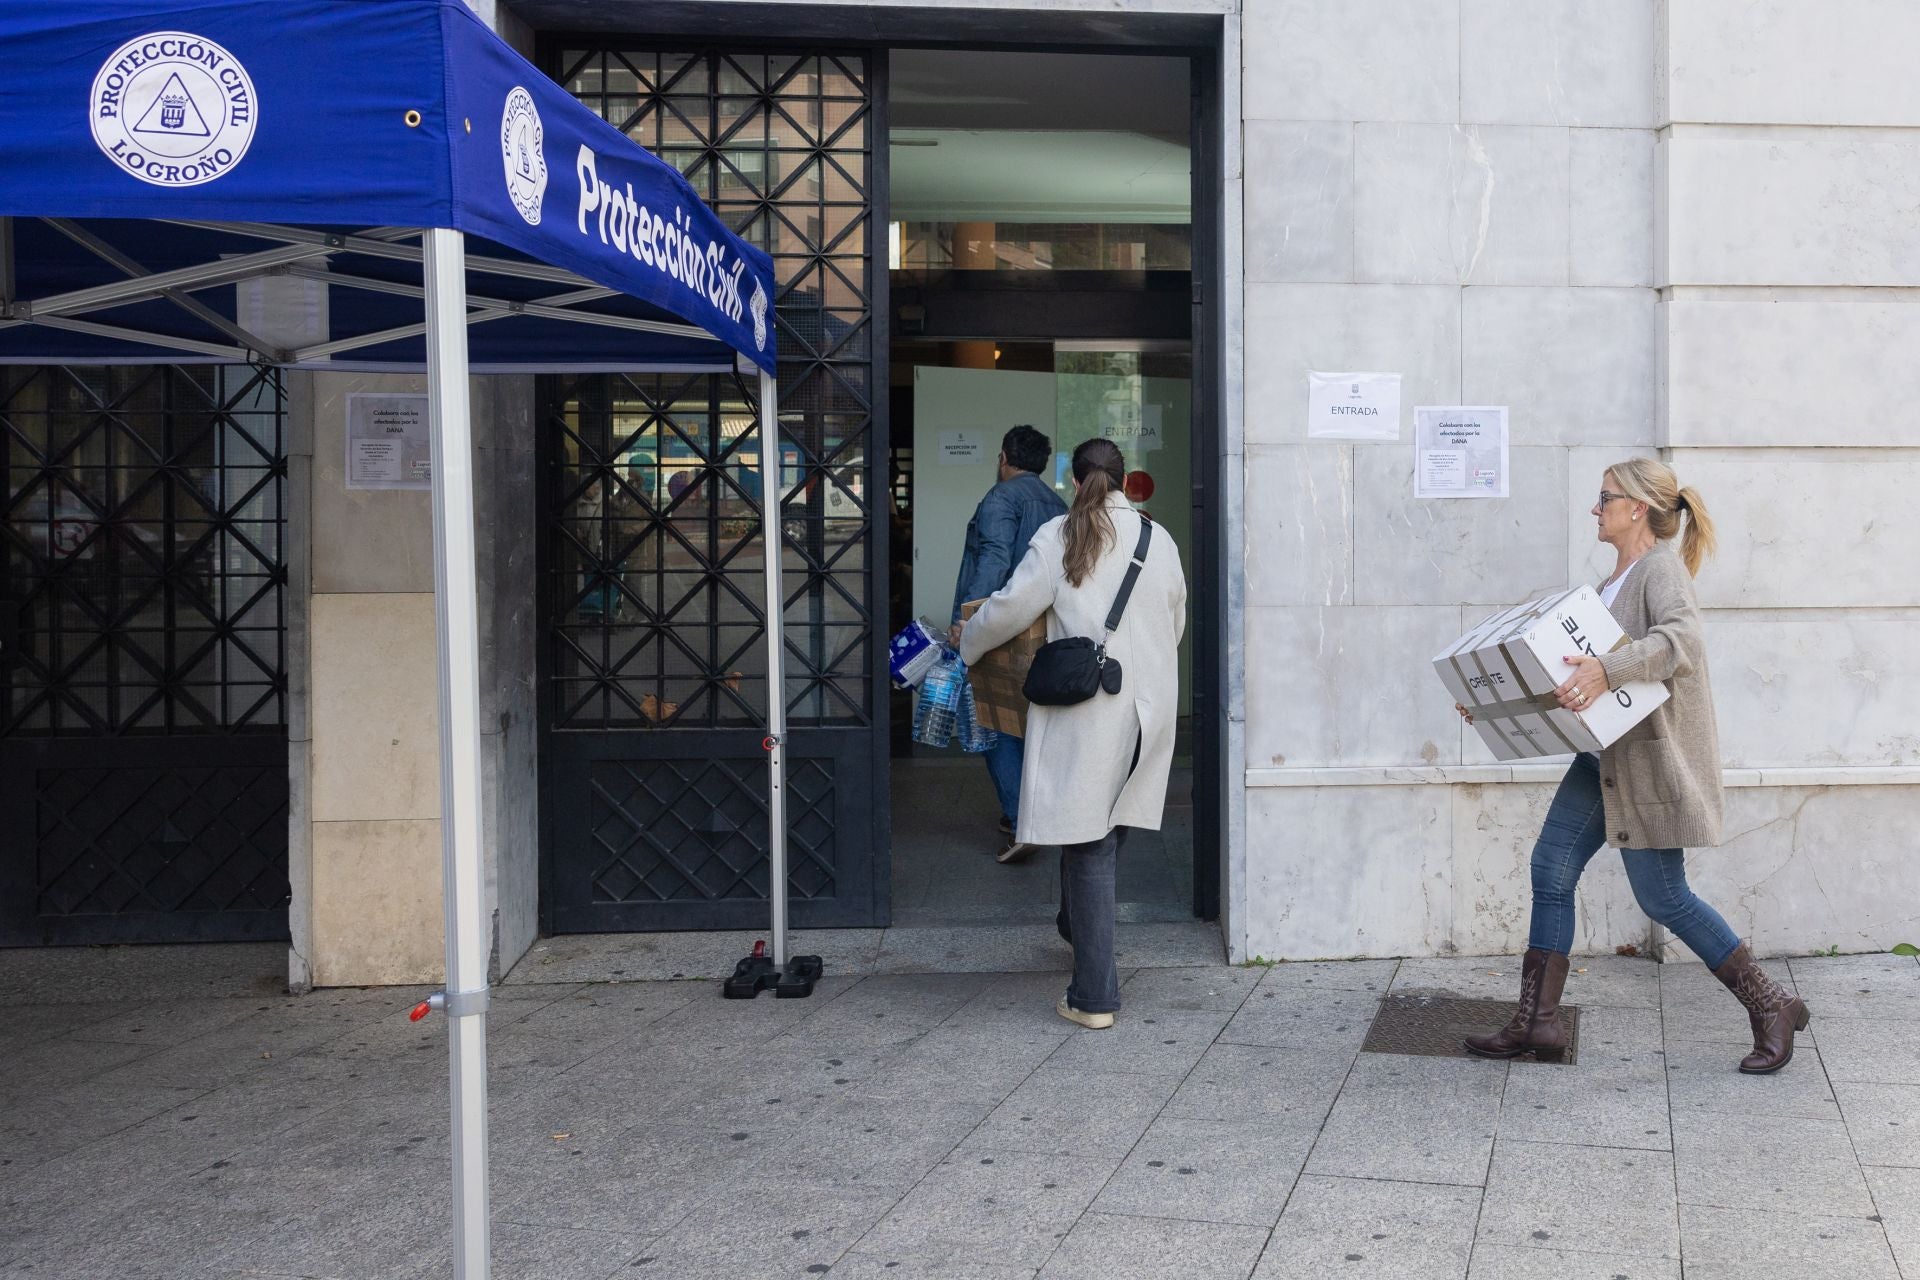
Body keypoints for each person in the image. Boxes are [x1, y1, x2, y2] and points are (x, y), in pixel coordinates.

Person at [1460, 458, 1809, 1074]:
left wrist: (1610, 668)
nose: (1596, 508)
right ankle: (1537, 1022)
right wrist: (1495, 705)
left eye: (1605, 498)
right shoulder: (1607, 587)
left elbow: (1683, 643)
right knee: (1551, 869)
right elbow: (1576, 676)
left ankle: (1771, 1003)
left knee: (1664, 897)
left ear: (1637, 508)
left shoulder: (1660, 571)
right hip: (1599, 762)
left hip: (1643, 767)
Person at [960, 438, 1187, 1030]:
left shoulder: (1063, 535)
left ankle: (1094, 996)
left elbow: (1009, 608)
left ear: (1075, 478)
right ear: (1121, 480)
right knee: (1105, 825)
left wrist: (968, 640)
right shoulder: (1158, 539)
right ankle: (1076, 924)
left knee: (1089, 844)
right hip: (1150, 707)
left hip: (1091, 709)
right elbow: (1176, 620)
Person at [949, 424, 1068, 863]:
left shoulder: (1002, 497)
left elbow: (994, 558)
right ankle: (1031, 813)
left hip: (1003, 628)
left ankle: (1022, 821)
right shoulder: (1056, 502)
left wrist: (970, 620)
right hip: (1045, 629)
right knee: (1030, 722)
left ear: (1004, 457)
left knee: (997, 723)